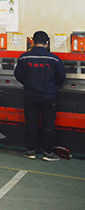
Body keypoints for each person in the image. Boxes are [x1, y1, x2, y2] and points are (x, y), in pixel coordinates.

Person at [14, 30, 65, 161]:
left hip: (30, 95)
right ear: (47, 42)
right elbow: (61, 78)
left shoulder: (24, 57)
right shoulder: (54, 59)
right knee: (48, 124)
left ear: (32, 41)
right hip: (49, 96)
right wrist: (51, 86)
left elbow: (18, 75)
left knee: (31, 123)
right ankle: (48, 152)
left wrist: (28, 83)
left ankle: (30, 151)